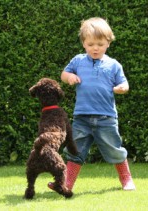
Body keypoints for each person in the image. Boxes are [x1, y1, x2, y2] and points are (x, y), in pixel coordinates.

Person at [48, 17, 136, 191]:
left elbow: (125, 84)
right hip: (82, 117)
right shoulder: (78, 61)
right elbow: (64, 74)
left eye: (100, 44)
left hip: (106, 117)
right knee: (75, 150)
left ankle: (126, 180)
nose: (95, 48)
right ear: (83, 44)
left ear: (108, 43)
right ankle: (66, 184)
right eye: (90, 44)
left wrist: (121, 88)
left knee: (114, 148)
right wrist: (69, 77)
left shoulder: (114, 65)